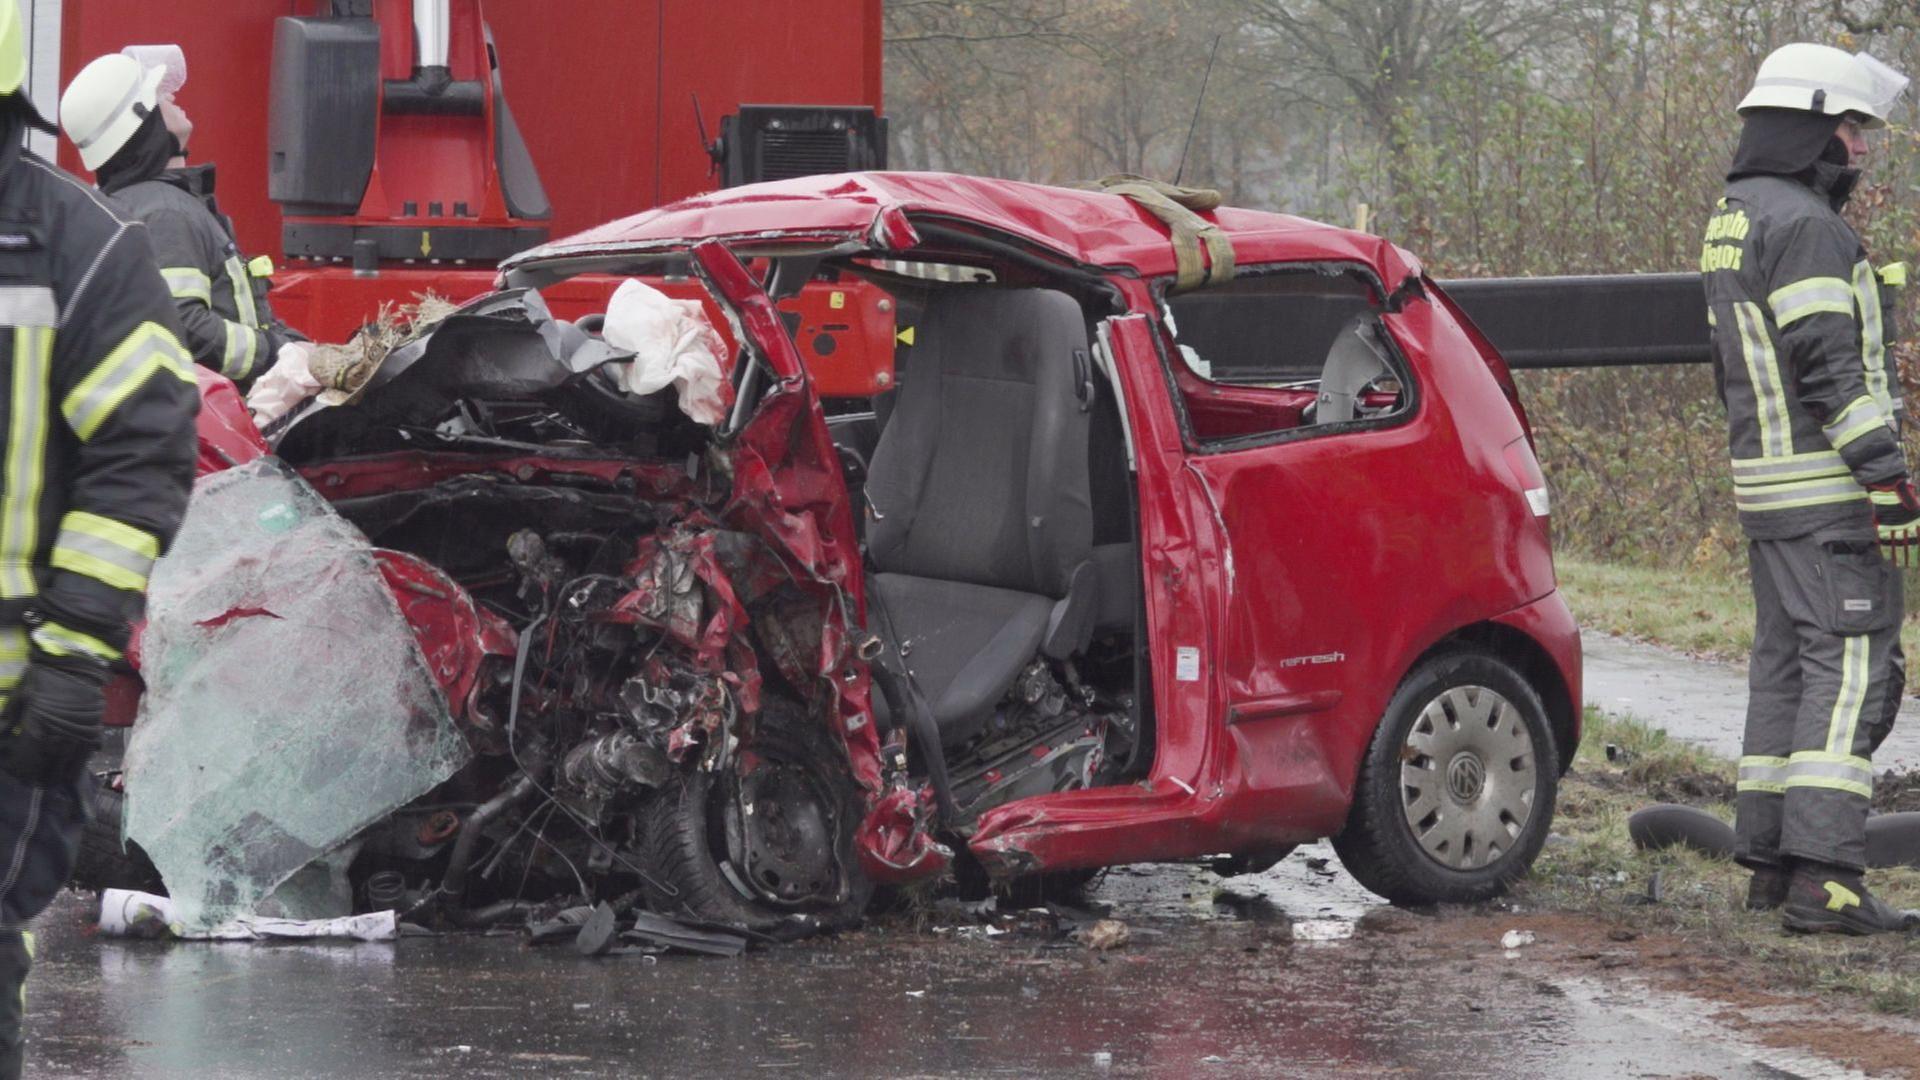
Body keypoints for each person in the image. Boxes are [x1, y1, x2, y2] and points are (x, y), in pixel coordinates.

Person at [0, 5, 198, 1075]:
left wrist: (76, 649)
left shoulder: (76, 244)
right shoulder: (104, 237)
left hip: (16, 706)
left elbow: (145, 438)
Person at [1704, 42, 1920, 934]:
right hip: (1829, 491)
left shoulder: (1736, 215)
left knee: (1787, 671)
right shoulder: (1809, 228)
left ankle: (1771, 862)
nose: (1860, 150)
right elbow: (1829, 366)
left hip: (1767, 492)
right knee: (1852, 669)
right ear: (1808, 126)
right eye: (1849, 130)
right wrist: (1890, 479)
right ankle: (1826, 876)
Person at [58, 47, 302, 388]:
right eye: (158, 94)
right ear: (143, 122)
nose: (172, 95)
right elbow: (182, 325)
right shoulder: (164, 213)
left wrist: (300, 348)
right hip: (208, 419)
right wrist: (278, 354)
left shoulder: (141, 204)